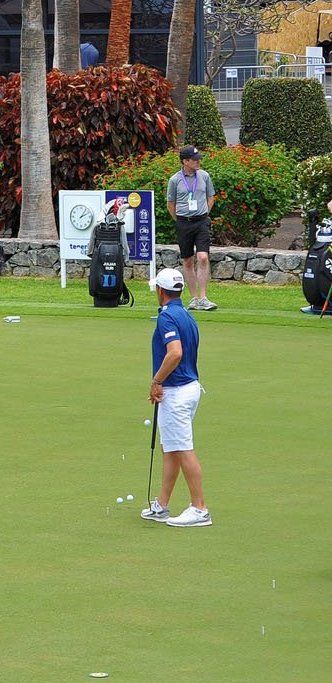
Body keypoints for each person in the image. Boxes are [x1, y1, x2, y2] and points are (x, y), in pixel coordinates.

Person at [142, 269, 210, 527]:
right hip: (188, 388)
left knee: (182, 448)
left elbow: (175, 353)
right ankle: (162, 505)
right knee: (171, 448)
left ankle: (200, 509)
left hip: (177, 392)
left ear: (160, 291)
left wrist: (156, 381)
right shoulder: (187, 315)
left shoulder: (167, 317)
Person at [167, 145, 218, 311]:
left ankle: (203, 298)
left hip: (201, 221)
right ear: (185, 161)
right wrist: (180, 220)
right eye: (195, 160)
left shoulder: (204, 176)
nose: (198, 162)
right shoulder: (175, 180)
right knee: (188, 260)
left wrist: (204, 214)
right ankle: (194, 298)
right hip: (184, 223)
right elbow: (171, 204)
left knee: (203, 257)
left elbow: (210, 198)